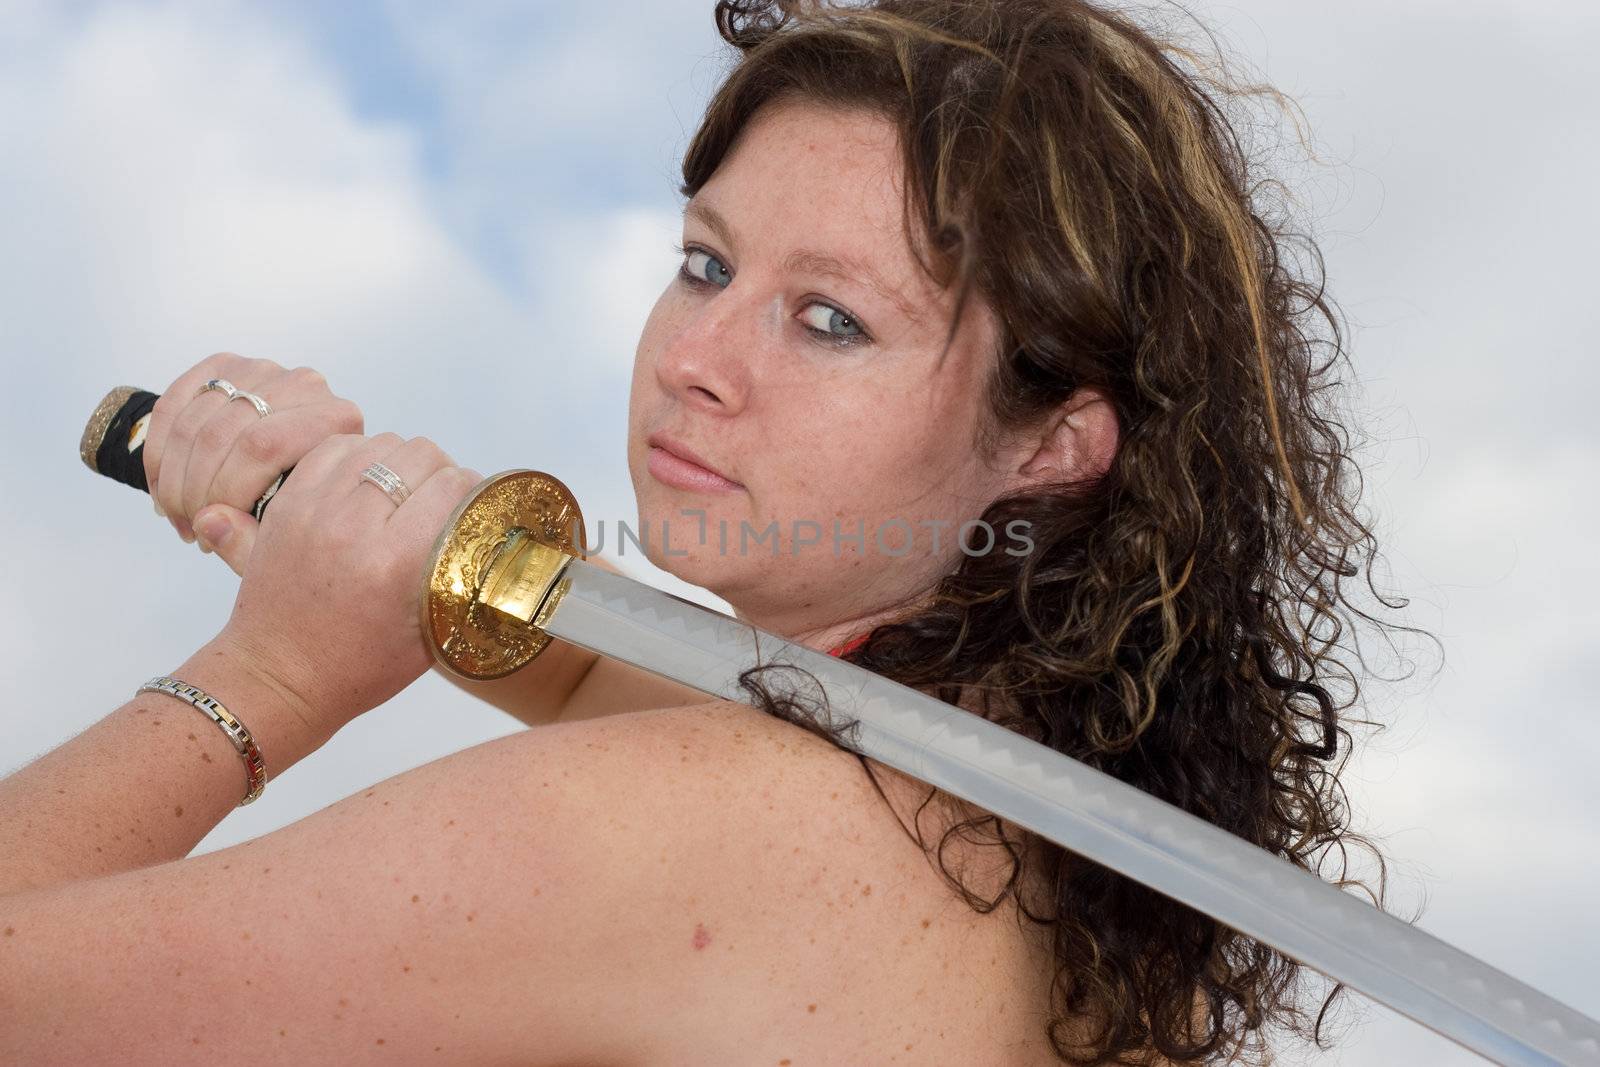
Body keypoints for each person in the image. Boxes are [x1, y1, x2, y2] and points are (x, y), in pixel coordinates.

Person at [0, 1, 1414, 1063]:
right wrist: (370, 528)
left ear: (1048, 447)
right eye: (706, 264)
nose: (697, 356)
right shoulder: (1030, 847)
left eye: (830, 318)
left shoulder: (692, 830)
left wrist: (271, 675)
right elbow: (579, 655)